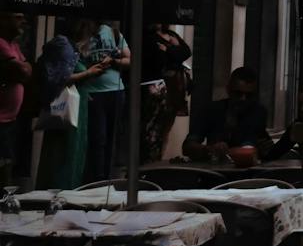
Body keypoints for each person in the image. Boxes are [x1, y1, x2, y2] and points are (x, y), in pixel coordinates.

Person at [73, 14, 130, 182]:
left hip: (115, 91)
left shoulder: (113, 32)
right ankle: (96, 179)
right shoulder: (81, 33)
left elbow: (129, 60)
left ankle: (106, 178)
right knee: (98, 137)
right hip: (93, 92)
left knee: (111, 138)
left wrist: (113, 61)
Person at [34, 24, 86, 190]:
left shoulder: (75, 47)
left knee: (72, 152)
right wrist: (91, 72)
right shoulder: (63, 45)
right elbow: (61, 78)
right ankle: (57, 189)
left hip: (78, 105)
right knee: (62, 152)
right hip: (65, 106)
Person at [183, 66, 271, 165]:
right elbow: (187, 147)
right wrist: (209, 149)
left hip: (248, 173)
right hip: (215, 172)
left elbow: (264, 145)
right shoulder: (211, 110)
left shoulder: (258, 112)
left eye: (249, 96)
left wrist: (264, 149)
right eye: (238, 93)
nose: (243, 99)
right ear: (228, 90)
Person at [140, 21, 190, 162]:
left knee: (168, 122)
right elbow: (160, 58)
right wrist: (174, 49)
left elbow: (185, 52)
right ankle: (151, 157)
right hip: (162, 82)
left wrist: (168, 50)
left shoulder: (172, 35)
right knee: (154, 123)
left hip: (176, 84)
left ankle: (160, 155)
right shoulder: (150, 37)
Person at [0, 13, 32, 176]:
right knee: (4, 164)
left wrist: (21, 70)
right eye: (18, 17)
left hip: (11, 119)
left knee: (9, 162)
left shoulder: (14, 45)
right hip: (1, 120)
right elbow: (21, 69)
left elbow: (28, 70)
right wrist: (21, 70)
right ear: (4, 19)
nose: (24, 21)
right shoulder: (1, 43)